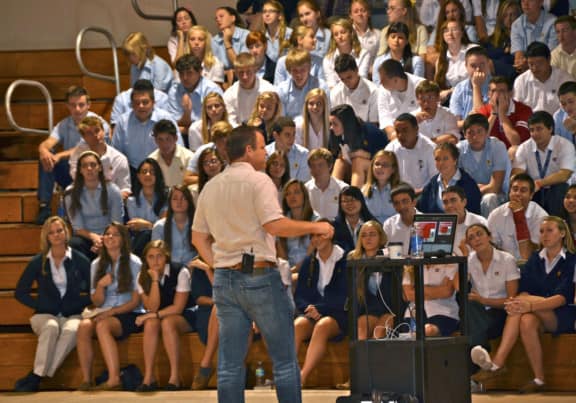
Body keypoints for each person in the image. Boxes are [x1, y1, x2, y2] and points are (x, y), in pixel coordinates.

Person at [191, 124, 335, 403]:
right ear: (248, 151)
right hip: (258, 274)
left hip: (225, 278)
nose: (264, 152)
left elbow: (198, 238)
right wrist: (316, 228)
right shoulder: (259, 181)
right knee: (283, 360)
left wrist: (219, 264)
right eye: (260, 147)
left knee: (230, 364)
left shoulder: (211, 186)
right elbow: (274, 225)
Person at [471, 216, 576, 393]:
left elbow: (563, 298)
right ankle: (539, 379)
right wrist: (526, 304)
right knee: (525, 320)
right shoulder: (536, 258)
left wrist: (530, 305)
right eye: (542, 231)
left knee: (519, 305)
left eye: (550, 230)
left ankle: (497, 363)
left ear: (562, 233)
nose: (544, 235)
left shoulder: (571, 260)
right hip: (532, 311)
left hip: (560, 314)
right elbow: (524, 289)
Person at [13, 216, 91, 392]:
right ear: (46, 237)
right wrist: (40, 304)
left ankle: (37, 375)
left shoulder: (80, 260)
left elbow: (94, 292)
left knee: (72, 330)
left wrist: (78, 303)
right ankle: (39, 375)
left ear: (66, 232)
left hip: (73, 313)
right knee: (51, 327)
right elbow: (20, 292)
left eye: (59, 231)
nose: (56, 235)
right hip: (44, 314)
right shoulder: (38, 261)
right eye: (51, 233)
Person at [76, 222, 142, 390]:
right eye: (107, 234)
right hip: (104, 309)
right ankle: (87, 379)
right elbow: (96, 301)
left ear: (123, 239)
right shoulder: (96, 264)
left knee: (103, 325)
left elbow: (135, 301)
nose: (110, 237)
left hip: (128, 312)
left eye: (115, 234)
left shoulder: (134, 263)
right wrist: (100, 286)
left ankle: (114, 379)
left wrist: (111, 312)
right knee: (83, 326)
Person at [36, 86, 109, 224]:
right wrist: (44, 151)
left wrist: (59, 155)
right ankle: (44, 206)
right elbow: (47, 143)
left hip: (95, 172)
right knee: (45, 158)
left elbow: (85, 148)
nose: (77, 109)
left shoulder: (98, 123)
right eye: (73, 105)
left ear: (88, 105)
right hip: (71, 170)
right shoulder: (64, 124)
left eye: (81, 105)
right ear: (67, 106)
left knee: (60, 158)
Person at [134, 240, 195, 391]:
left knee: (167, 322)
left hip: (187, 314)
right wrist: (154, 280)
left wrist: (151, 315)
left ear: (166, 257)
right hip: (159, 316)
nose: (155, 261)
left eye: (159, 256)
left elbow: (178, 308)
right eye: (151, 257)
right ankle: (149, 377)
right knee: (150, 324)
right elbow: (152, 307)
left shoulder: (180, 271)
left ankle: (175, 378)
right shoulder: (141, 277)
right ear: (145, 259)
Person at [294, 219, 347, 386]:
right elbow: (300, 295)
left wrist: (320, 309)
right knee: (298, 325)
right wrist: (308, 308)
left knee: (323, 326)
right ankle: (289, 375)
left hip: (339, 314)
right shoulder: (309, 262)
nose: (316, 239)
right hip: (314, 312)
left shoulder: (346, 259)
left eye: (320, 235)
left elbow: (345, 295)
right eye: (313, 236)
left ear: (330, 235)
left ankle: (302, 377)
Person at [463, 223, 519, 377]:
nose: (476, 239)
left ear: (489, 236)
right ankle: (480, 351)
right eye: (471, 238)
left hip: (501, 312)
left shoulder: (507, 260)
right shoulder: (468, 261)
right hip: (478, 313)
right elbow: (458, 288)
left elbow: (511, 300)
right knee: (468, 303)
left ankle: (479, 354)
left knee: (472, 318)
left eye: (479, 234)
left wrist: (483, 300)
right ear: (469, 244)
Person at [111, 80, 180, 178]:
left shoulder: (166, 118)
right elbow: (116, 153)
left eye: (145, 102)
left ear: (153, 103)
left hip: (162, 170)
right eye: (137, 103)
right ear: (131, 104)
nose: (141, 106)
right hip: (133, 172)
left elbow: (179, 147)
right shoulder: (123, 122)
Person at [512, 111, 574, 216]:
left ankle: (558, 225)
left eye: (539, 129)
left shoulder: (564, 145)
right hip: (534, 191)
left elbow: (565, 174)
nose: (535, 134)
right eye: (531, 130)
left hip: (555, 189)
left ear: (550, 129)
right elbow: (517, 175)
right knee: (520, 190)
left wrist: (540, 183)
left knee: (560, 188)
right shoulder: (524, 148)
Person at [65, 151, 123, 260]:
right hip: (86, 238)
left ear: (100, 168)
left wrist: (105, 240)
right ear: (80, 170)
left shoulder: (113, 190)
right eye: (85, 166)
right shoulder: (70, 193)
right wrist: (94, 238)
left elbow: (117, 223)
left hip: (111, 236)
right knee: (74, 243)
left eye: (93, 165)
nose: (89, 168)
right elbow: (78, 228)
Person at [457, 114, 511, 217]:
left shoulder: (497, 147)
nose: (475, 137)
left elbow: (495, 187)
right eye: (470, 132)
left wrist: (473, 189)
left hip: (498, 196)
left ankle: (489, 232)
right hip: (469, 195)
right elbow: (457, 184)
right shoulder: (459, 149)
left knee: (489, 198)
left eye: (479, 131)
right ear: (464, 134)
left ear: (487, 132)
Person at [487, 173, 548, 261]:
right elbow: (491, 247)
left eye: (523, 190)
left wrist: (519, 215)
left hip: (531, 265)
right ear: (509, 192)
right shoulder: (496, 215)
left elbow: (528, 255)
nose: (517, 194)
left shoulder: (541, 217)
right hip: (503, 265)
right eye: (515, 189)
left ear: (531, 195)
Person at [69, 116, 131, 199]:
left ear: (103, 131)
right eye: (89, 133)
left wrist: (115, 198)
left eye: (97, 130)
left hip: (110, 199)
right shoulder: (78, 154)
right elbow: (77, 179)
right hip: (85, 196)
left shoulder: (119, 158)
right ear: (84, 137)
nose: (95, 135)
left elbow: (125, 188)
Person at [329, 104, 388, 187]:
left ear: (346, 123)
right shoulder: (335, 134)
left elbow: (388, 156)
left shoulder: (369, 131)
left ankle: (355, 195)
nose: (331, 127)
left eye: (335, 124)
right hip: (354, 167)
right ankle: (333, 195)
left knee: (358, 161)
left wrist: (368, 155)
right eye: (330, 124)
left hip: (380, 167)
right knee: (340, 162)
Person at [417, 142, 482, 215]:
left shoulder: (469, 183)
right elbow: (423, 212)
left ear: (455, 160)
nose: (441, 163)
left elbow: (474, 213)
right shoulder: (431, 185)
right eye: (437, 159)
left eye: (445, 158)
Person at [167, 54, 223, 135]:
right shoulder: (174, 91)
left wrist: (185, 129)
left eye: (189, 73)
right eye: (181, 74)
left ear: (200, 72)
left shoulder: (211, 90)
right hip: (182, 136)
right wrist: (187, 112)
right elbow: (174, 124)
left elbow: (216, 122)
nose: (185, 77)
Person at [474, 76, 532, 151]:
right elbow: (479, 139)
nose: (497, 95)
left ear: (510, 93)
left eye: (501, 91)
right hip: (490, 154)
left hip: (513, 155)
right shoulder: (484, 110)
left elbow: (516, 142)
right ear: (489, 94)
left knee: (514, 150)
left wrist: (502, 114)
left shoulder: (524, 110)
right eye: (494, 91)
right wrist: (494, 114)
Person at [384, 113, 437, 194]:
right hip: (398, 195)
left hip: (424, 195)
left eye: (405, 130)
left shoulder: (430, 149)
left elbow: (435, 180)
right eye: (397, 131)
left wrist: (416, 193)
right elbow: (385, 178)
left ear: (416, 129)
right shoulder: (391, 148)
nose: (400, 135)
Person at [126, 158, 167, 257]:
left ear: (157, 175)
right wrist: (152, 225)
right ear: (138, 176)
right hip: (139, 240)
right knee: (145, 235)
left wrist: (147, 225)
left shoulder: (166, 197)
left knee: (147, 233)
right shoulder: (131, 201)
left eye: (152, 172)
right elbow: (135, 226)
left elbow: (165, 224)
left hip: (163, 239)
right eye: (144, 172)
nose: (148, 175)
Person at [223, 52, 277, 127]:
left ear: (255, 70)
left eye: (248, 72)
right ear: (235, 72)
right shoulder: (229, 94)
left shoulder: (268, 89)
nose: (245, 77)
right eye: (241, 73)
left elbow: (274, 117)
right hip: (240, 133)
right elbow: (230, 121)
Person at [376, 59, 424, 139]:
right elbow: (384, 117)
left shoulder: (421, 85)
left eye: (383, 80)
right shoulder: (383, 89)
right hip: (394, 135)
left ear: (395, 80)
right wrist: (393, 135)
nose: (380, 83)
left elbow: (425, 112)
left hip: (420, 134)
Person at [278, 179, 317, 273]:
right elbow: (282, 257)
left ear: (304, 195)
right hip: (288, 271)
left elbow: (311, 256)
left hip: (310, 269)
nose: (292, 196)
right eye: (288, 194)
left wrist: (293, 272)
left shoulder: (315, 220)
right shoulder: (281, 222)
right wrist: (287, 273)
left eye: (296, 192)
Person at [152, 185, 197, 268]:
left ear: (189, 201)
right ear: (170, 202)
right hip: (168, 270)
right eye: (175, 198)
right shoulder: (159, 227)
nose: (179, 202)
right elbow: (156, 255)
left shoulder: (197, 225)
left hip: (193, 269)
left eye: (183, 198)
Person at [433, 19, 477, 103]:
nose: (450, 33)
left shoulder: (473, 50)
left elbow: (478, 79)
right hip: (453, 99)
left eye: (454, 29)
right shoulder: (441, 59)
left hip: (474, 94)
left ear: (462, 32)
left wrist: (451, 91)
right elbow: (438, 85)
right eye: (446, 31)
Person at [276, 48, 328, 120]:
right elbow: (281, 120)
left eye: (302, 70)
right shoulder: (281, 89)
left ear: (309, 68)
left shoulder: (321, 87)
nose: (299, 75)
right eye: (295, 70)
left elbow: (326, 117)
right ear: (289, 71)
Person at [449, 46, 492, 128]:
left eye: (482, 64)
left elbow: (482, 122)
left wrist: (476, 86)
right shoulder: (459, 88)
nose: (478, 69)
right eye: (473, 66)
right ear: (466, 66)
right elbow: (454, 124)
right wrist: (469, 121)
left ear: (488, 64)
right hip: (464, 134)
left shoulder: (496, 86)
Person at [510, 0, 557, 73]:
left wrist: (529, 63)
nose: (526, 3)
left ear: (541, 2)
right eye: (523, 1)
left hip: (548, 70)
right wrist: (521, 62)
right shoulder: (516, 25)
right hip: (525, 71)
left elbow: (550, 56)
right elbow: (518, 57)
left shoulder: (553, 23)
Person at [330, 54, 379, 124]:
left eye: (349, 77)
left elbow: (374, 124)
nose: (346, 82)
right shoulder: (335, 93)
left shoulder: (373, 91)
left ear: (356, 70)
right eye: (342, 79)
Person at [323, 18, 370, 89]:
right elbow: (331, 84)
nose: (340, 36)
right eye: (336, 34)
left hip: (360, 93)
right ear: (333, 38)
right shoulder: (328, 59)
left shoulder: (363, 53)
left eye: (343, 32)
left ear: (351, 33)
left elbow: (362, 79)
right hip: (338, 96)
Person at [148, 119, 195, 188]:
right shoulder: (151, 160)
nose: (164, 144)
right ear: (155, 140)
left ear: (175, 138)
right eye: (160, 139)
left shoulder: (189, 157)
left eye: (168, 139)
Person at [441, 185, 487, 255]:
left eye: (453, 200)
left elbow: (486, 254)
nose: (449, 205)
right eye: (445, 202)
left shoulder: (480, 222)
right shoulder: (439, 226)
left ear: (464, 202)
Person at [412, 80, 460, 144]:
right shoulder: (411, 117)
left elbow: (453, 138)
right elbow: (397, 137)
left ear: (438, 98)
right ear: (417, 100)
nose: (426, 103)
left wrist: (425, 145)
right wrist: (412, 124)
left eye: (430, 98)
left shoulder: (448, 115)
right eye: (422, 99)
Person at [265, 116, 310, 182]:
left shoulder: (303, 154)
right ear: (276, 135)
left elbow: (302, 185)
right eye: (287, 135)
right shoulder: (265, 153)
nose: (292, 139)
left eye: (293, 134)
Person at [333, 186, 376, 253]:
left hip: (369, 262)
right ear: (340, 204)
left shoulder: (373, 224)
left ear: (361, 201)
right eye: (345, 201)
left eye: (353, 200)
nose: (349, 204)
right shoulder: (334, 227)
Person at [362, 150, 401, 224]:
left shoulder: (400, 190)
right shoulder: (364, 190)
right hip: (372, 232)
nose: (380, 167)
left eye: (385, 165)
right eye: (377, 164)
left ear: (393, 169)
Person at [383, 184, 420, 256]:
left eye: (405, 201)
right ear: (393, 206)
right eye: (396, 203)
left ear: (414, 202)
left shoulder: (427, 222)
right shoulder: (389, 225)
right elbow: (385, 251)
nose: (401, 206)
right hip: (396, 266)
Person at [211, 7, 250, 71]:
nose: (218, 20)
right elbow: (214, 68)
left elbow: (242, 65)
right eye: (216, 18)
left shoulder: (246, 35)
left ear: (232, 18)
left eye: (221, 16)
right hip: (222, 77)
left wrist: (227, 42)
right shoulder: (214, 40)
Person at [349, 0, 381, 65]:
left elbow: (380, 59)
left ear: (369, 13)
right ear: (351, 15)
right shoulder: (346, 34)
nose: (360, 14)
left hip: (371, 73)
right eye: (356, 11)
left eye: (363, 11)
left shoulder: (378, 34)